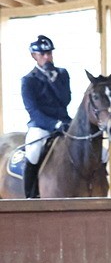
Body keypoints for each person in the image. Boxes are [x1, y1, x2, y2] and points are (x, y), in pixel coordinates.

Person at [20, 35, 72, 199]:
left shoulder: (62, 74)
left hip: (65, 122)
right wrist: (53, 124)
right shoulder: (28, 80)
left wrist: (54, 81)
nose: (47, 57)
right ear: (34, 56)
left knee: (101, 151)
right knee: (33, 152)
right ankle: (30, 194)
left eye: (49, 53)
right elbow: (32, 110)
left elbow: (66, 100)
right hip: (41, 125)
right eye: (42, 54)